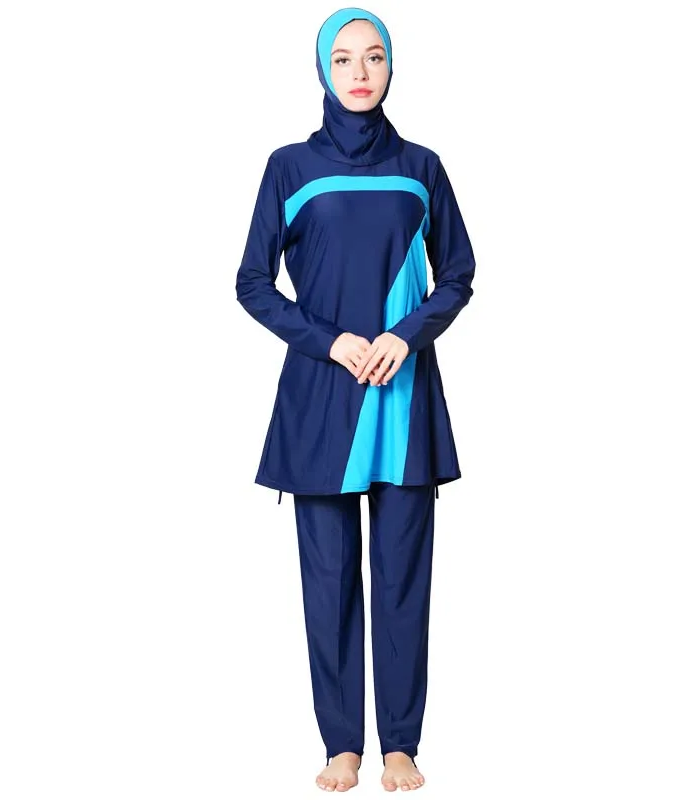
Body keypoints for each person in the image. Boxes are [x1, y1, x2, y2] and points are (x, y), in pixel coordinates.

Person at [235, 7, 476, 793]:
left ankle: (400, 743)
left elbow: (458, 274)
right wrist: (328, 340)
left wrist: (407, 334)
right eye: (343, 59)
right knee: (328, 576)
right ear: (322, 70)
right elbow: (251, 282)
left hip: (404, 402)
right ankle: (343, 744)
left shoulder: (423, 167)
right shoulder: (288, 167)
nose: (360, 72)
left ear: (392, 67)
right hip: (322, 401)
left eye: (373, 57)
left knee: (403, 578)